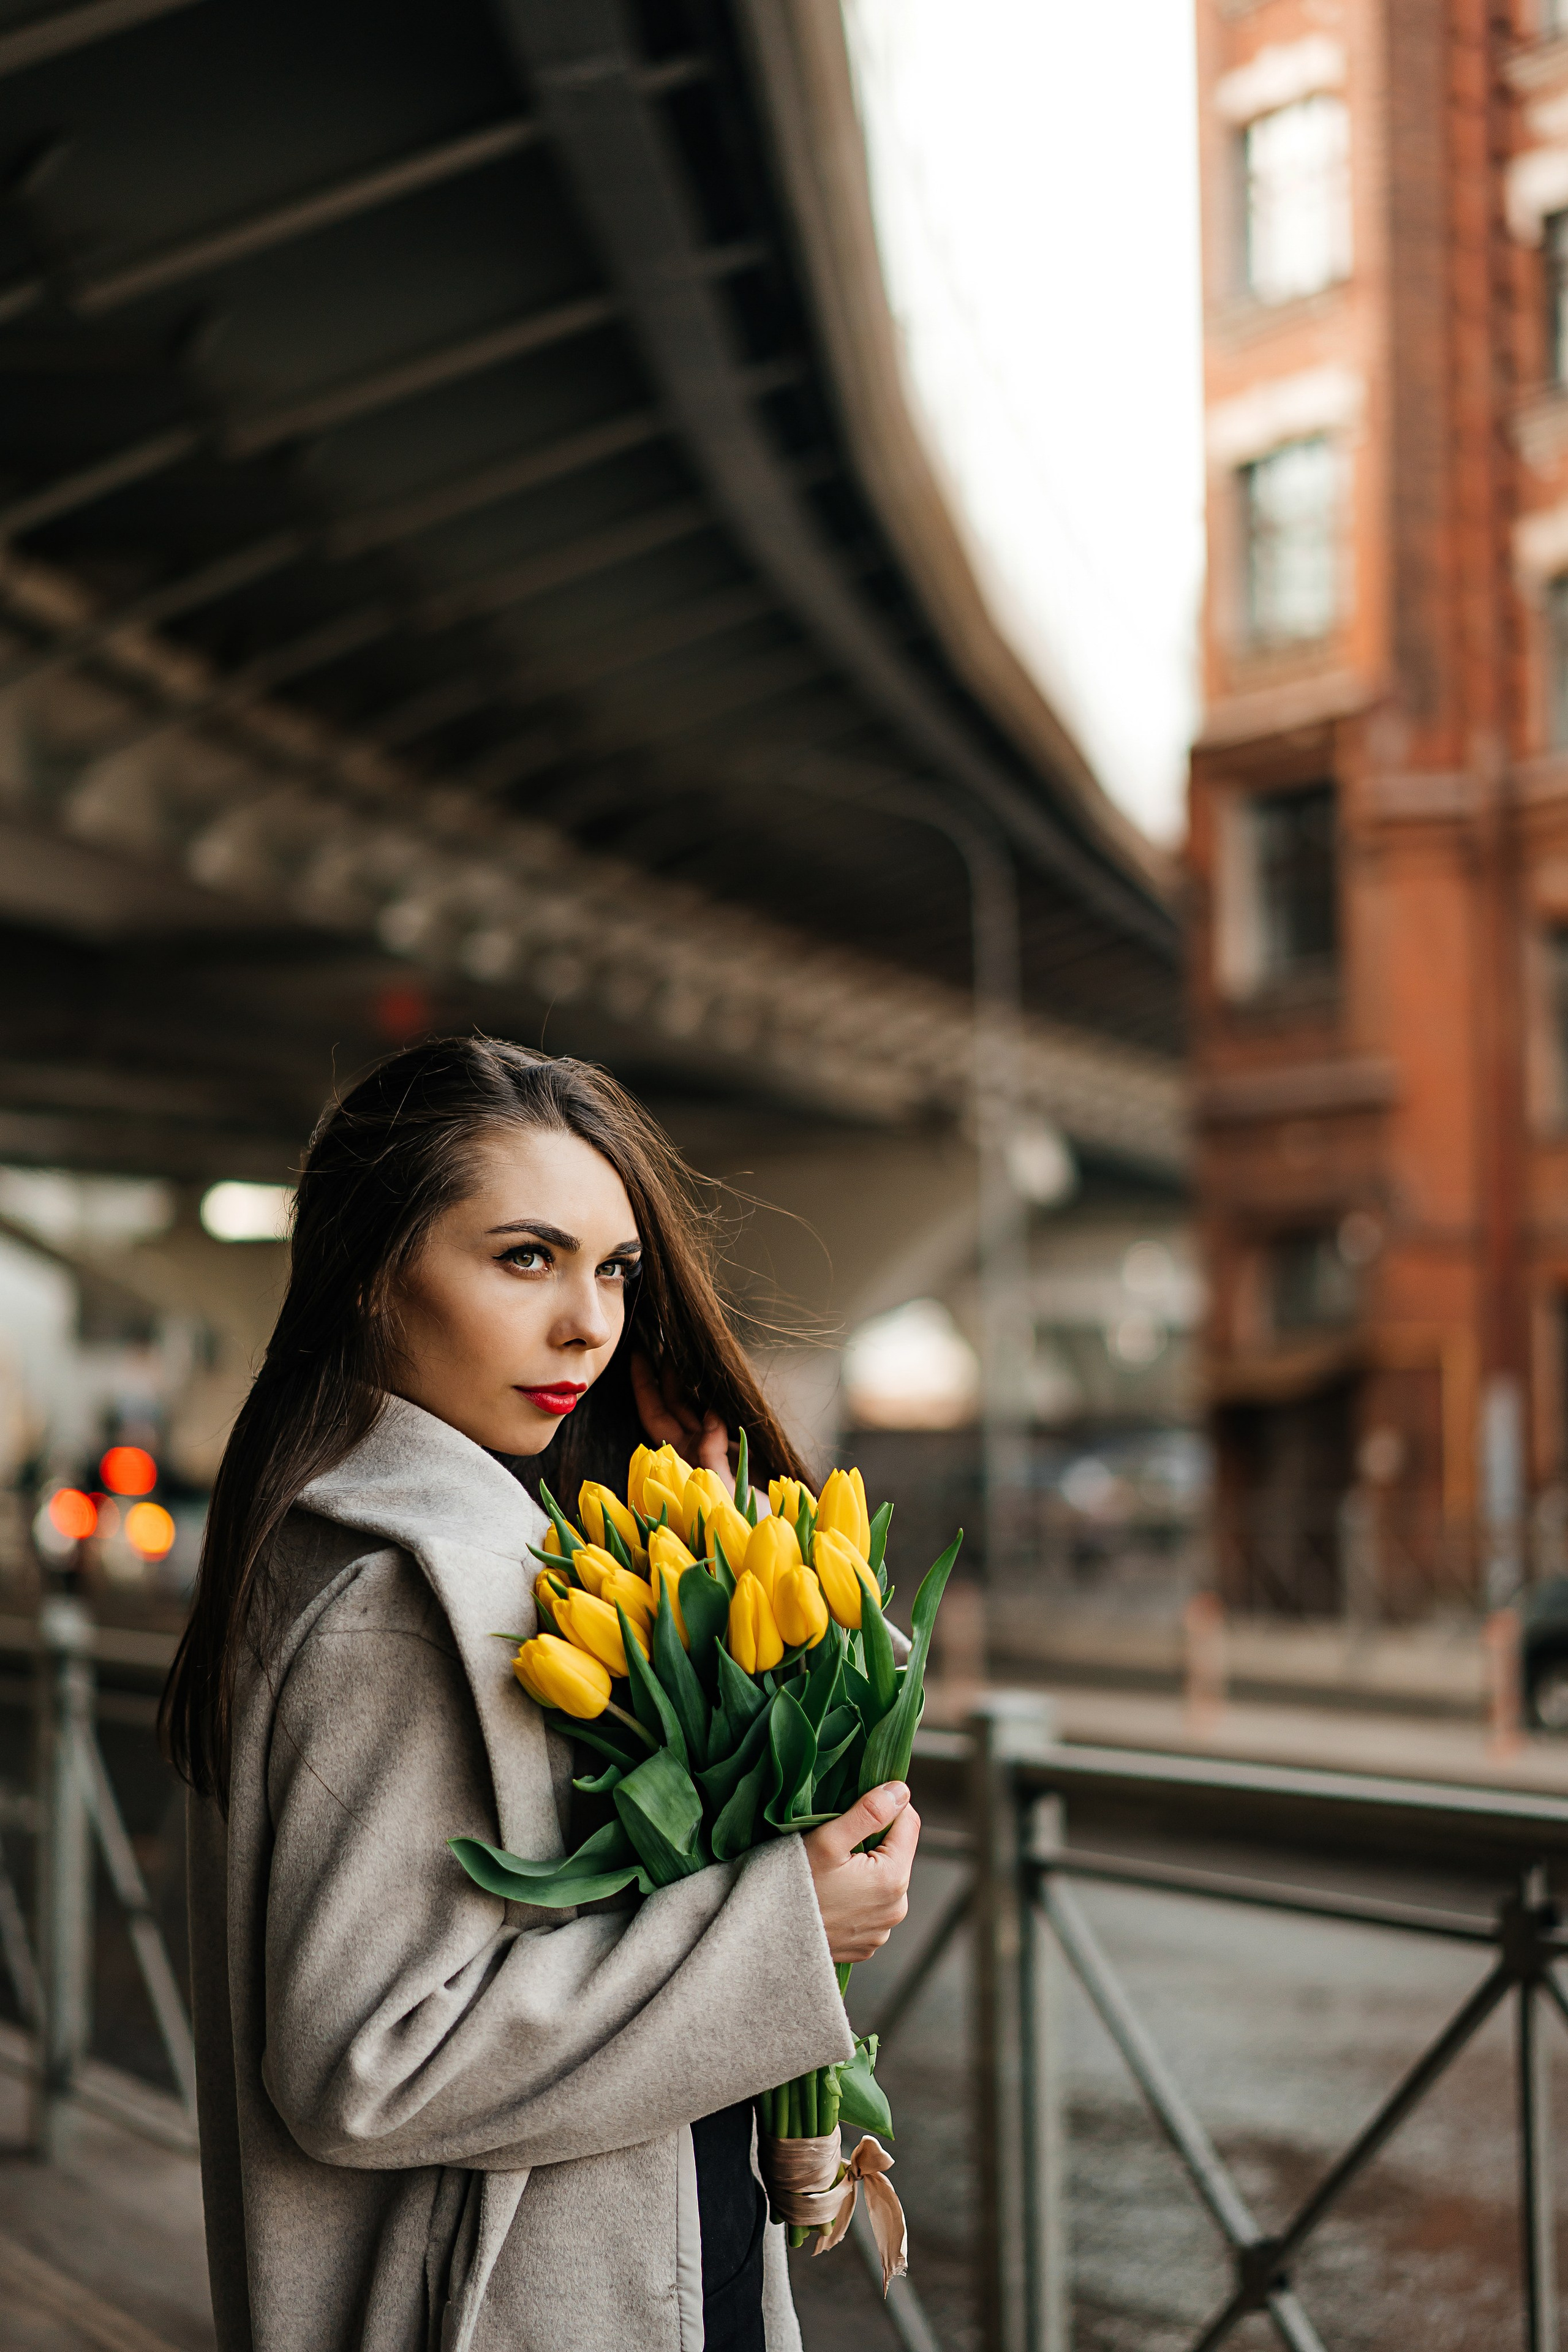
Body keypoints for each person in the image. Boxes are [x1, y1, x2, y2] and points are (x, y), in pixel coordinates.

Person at [162, 1035, 920, 2352]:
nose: (589, 1320)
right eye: (524, 1258)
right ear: (369, 1277)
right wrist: (782, 1924)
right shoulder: (418, 1596)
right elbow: (367, 2067)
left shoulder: (365, 1543)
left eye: (613, 1268)